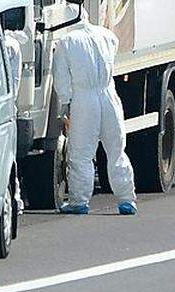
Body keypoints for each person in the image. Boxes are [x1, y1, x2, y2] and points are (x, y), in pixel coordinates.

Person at [52, 19, 137, 216]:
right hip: (109, 95)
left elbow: (61, 77)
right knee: (116, 149)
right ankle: (127, 199)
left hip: (84, 99)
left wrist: (65, 104)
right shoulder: (107, 35)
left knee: (81, 153)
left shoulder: (66, 41)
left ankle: (79, 201)